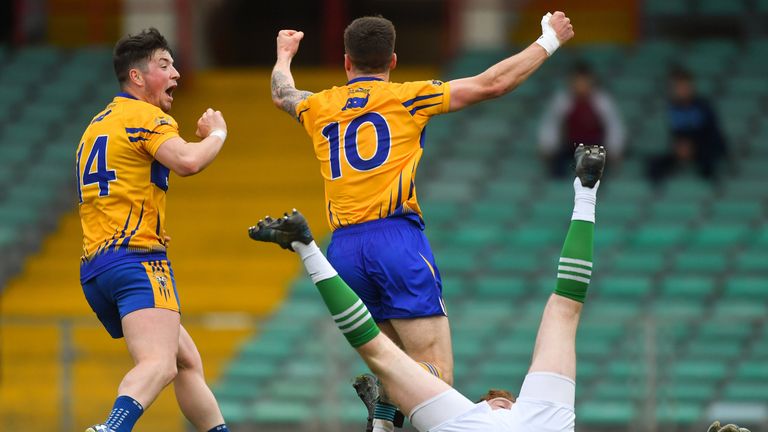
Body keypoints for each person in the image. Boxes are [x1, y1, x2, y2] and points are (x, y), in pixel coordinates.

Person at [270, 11, 574, 430]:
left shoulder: (318, 105)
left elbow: (282, 92)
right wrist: (549, 41)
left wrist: (285, 54)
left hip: (343, 249)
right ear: (393, 61)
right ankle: (385, 406)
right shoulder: (409, 96)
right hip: (395, 240)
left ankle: (381, 419)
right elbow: (493, 83)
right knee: (436, 378)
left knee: (394, 366)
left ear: (346, 62)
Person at [249, 144, 605, 432]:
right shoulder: (493, 415)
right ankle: (306, 247)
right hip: (532, 423)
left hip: (500, 423)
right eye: (498, 399)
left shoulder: (473, 416)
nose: (498, 400)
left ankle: (586, 190)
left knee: (384, 356)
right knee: (382, 356)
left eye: (495, 399)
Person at [77, 28, 229, 432]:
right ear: (137, 78)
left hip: (98, 267)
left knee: (185, 361)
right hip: (138, 259)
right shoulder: (145, 116)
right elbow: (187, 162)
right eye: (165, 65)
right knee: (159, 364)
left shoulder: (96, 125)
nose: (176, 73)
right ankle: (111, 428)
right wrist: (218, 133)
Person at [538, 61, 624, 177]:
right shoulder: (562, 100)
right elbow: (552, 124)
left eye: (584, 81)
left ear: (591, 81)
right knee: (557, 169)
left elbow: (613, 126)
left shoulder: (602, 101)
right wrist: (547, 146)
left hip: (595, 147)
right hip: (570, 147)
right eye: (577, 81)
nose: (580, 85)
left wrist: (615, 149)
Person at [646, 67, 727, 186]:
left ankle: (711, 185)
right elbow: (676, 133)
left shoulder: (703, 106)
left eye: (684, 86)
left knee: (708, 162)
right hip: (682, 149)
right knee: (655, 164)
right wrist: (680, 146)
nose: (680, 90)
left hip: (705, 147)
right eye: (677, 87)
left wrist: (692, 146)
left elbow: (712, 133)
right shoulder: (673, 108)